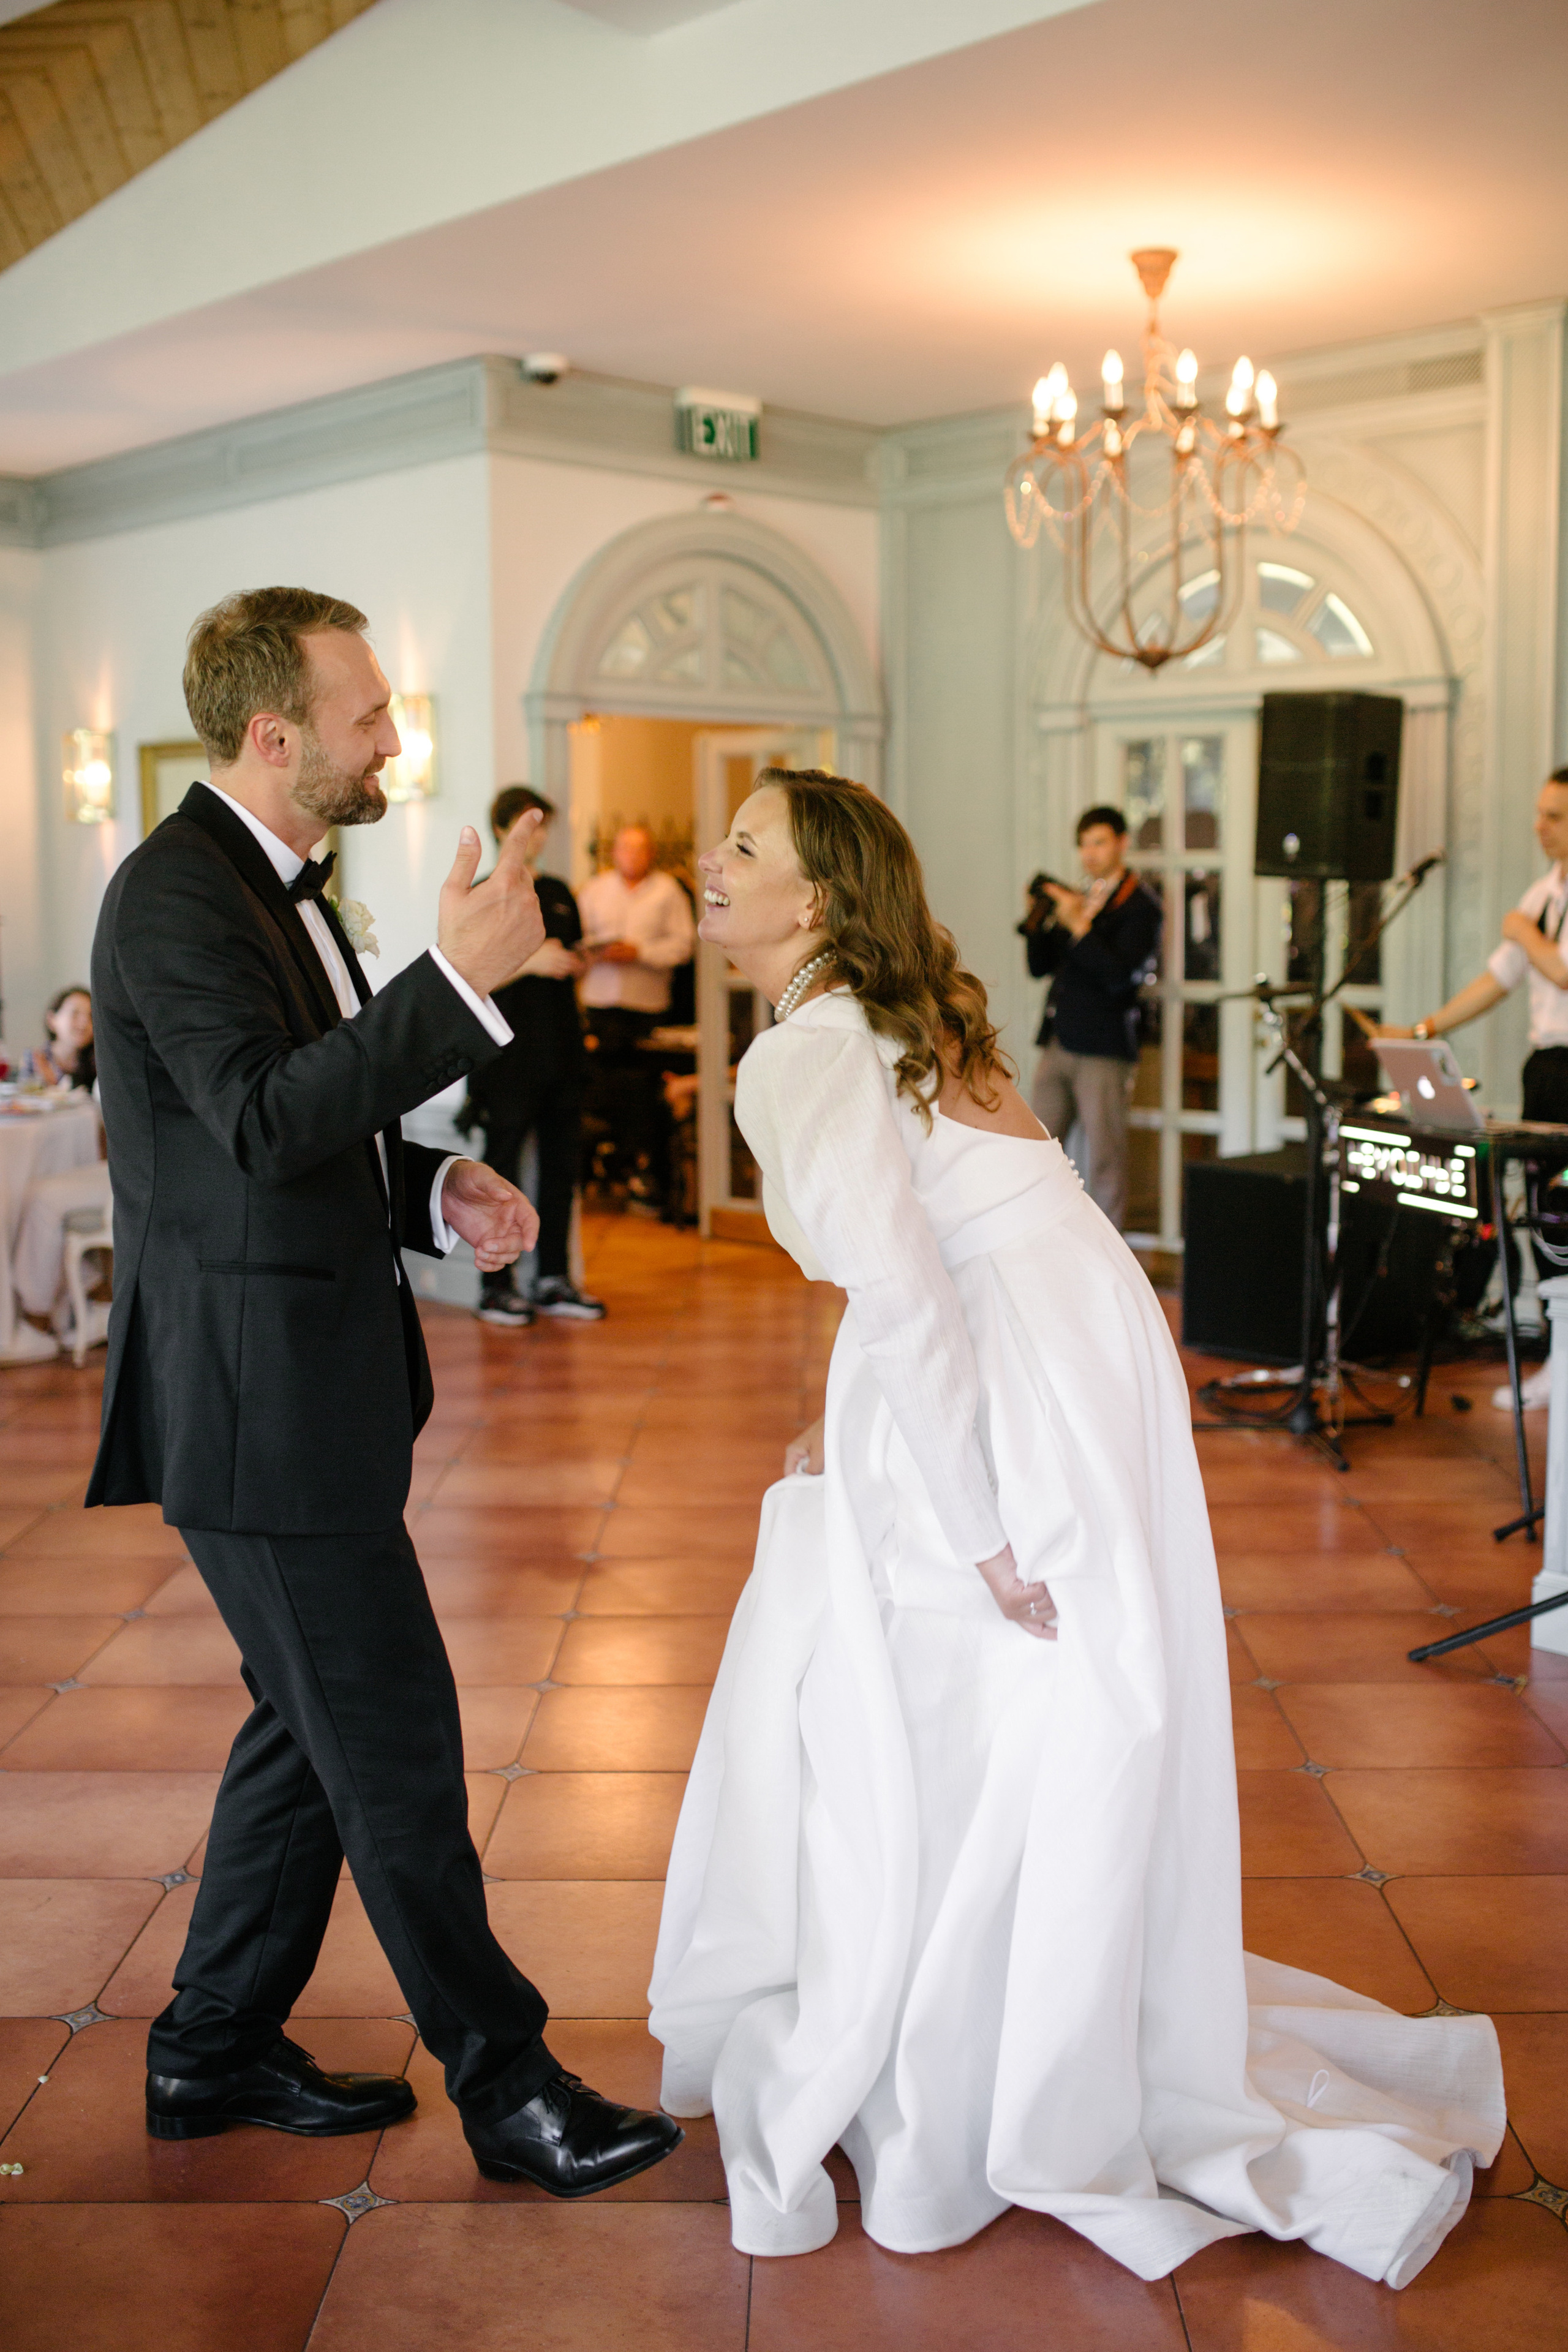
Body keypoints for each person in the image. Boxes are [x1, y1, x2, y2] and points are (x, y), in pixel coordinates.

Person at [650, 767, 1502, 2286]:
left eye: (741, 849)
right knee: (1049, 1698)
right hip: (1077, 1334)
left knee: (957, 1686)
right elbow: (930, 1239)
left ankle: (968, 2052)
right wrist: (837, 1414)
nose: (709, 866)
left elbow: (905, 1286)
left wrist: (976, 1520)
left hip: (1013, 1373)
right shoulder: (881, 1019)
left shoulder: (806, 1046)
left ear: (818, 902)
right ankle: (1026, 2014)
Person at [88, 586, 679, 2196]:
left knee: (309, 1723)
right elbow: (264, 1123)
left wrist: (431, 1193)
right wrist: (459, 982)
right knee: (396, 1740)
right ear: (276, 735)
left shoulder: (279, 884)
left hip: (301, 1386)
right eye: (368, 720)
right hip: (251, 1408)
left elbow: (301, 1138)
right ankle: (508, 2088)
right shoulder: (174, 897)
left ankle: (209, 2051)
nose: (393, 742)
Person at [1378, 764, 1568, 1408]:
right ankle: (1556, 1359)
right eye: (1541, 813)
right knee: (1545, 1216)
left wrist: (1522, 931)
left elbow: (1563, 973)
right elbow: (1499, 979)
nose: (1539, 827)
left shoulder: (1530, 915)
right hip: (1545, 1067)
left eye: (1555, 816)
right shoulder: (1543, 892)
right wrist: (1425, 1026)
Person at [463, 785, 605, 1327]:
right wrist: (531, 963)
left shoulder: (559, 890)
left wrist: (573, 964)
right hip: (504, 1059)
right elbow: (465, 978)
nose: (540, 836)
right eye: (530, 824)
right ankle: (495, 1287)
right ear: (503, 828)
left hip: (562, 1051)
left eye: (545, 825)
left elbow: (564, 960)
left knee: (561, 1168)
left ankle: (553, 1278)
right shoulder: (481, 893)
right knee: (498, 1171)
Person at [1022, 805, 1161, 1230]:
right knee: (1036, 1146)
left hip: (1103, 1047)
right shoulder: (1082, 895)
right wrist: (1036, 920)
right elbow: (1040, 967)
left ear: (1122, 842)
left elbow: (1120, 976)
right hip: (1059, 1038)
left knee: (1105, 1157)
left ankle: (1108, 1257)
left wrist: (1080, 926)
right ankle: (1042, 1239)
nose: (1090, 853)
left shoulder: (1141, 906)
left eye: (1099, 842)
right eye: (1083, 845)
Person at [579, 824, 695, 1210]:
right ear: (615, 853)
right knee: (603, 1089)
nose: (632, 856)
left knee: (643, 1091)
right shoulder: (595, 890)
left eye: (640, 849)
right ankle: (612, 1168)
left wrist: (640, 952)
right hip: (600, 1004)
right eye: (626, 849)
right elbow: (576, 941)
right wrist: (599, 953)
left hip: (646, 1009)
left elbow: (684, 946)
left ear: (651, 854)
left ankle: (646, 1171)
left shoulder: (668, 891)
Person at [17, 984, 97, 1090]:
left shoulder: (98, 1061)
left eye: (91, 1016)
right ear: (52, 1020)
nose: (84, 1023)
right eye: (75, 1014)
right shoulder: (35, 1059)